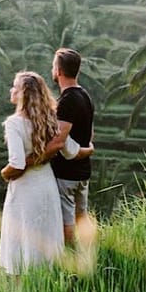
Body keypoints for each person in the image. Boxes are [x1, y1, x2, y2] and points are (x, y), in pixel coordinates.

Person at [0, 71, 67, 275]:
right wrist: (89, 147)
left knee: (21, 246)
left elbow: (17, 164)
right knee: (45, 242)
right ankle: (46, 291)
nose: (11, 90)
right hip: (46, 184)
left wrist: (4, 173)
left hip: (25, 189)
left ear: (24, 94)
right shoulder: (50, 119)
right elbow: (70, 150)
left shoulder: (14, 123)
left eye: (15, 87)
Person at [46, 48, 95, 246]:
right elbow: (90, 134)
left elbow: (59, 140)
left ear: (58, 70)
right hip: (83, 170)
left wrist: (35, 159)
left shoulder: (67, 101)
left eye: (53, 65)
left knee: (66, 220)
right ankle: (86, 252)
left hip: (67, 173)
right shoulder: (85, 96)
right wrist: (87, 149)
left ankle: (69, 259)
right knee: (81, 216)